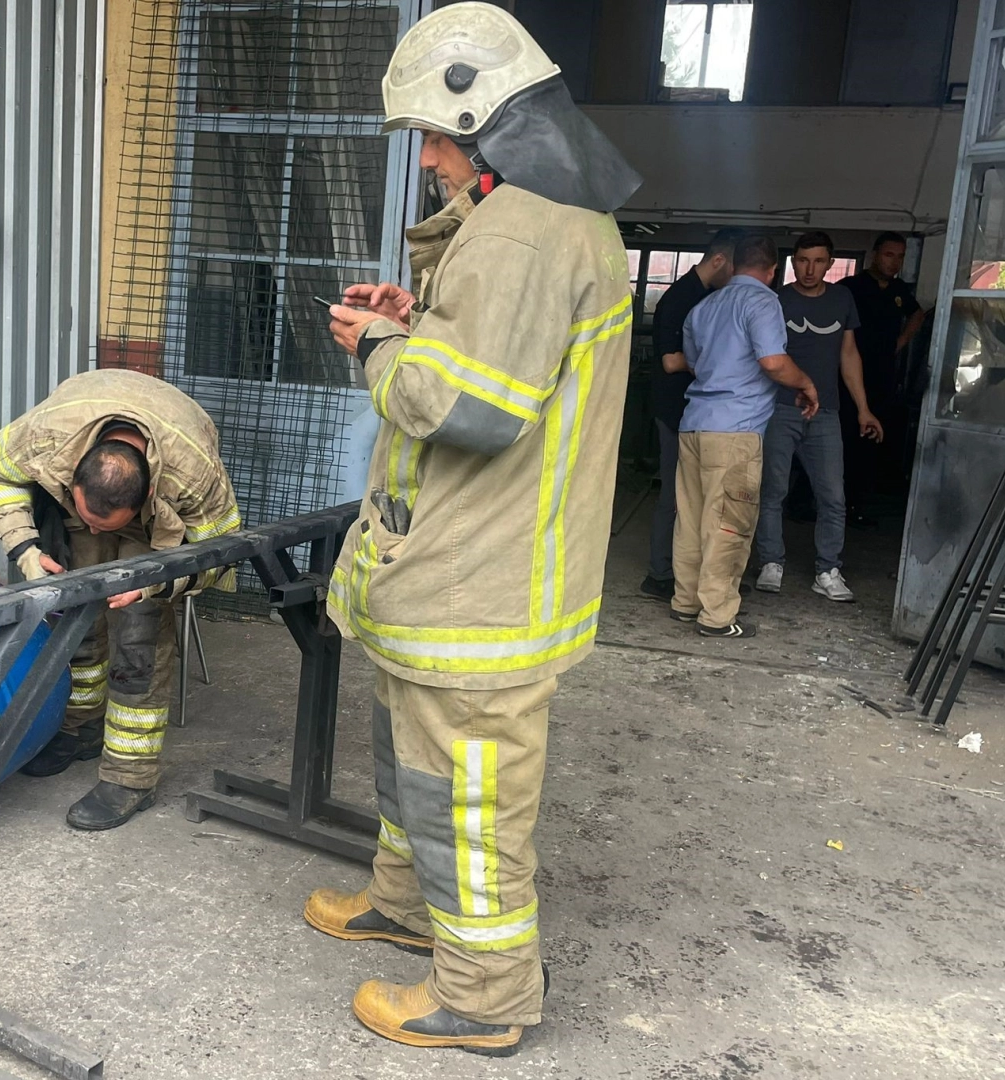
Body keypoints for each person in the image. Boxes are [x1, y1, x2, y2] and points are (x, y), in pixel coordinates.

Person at [303, 3, 642, 1056]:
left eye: (436, 138)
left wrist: (375, 348)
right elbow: (491, 358)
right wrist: (415, 319)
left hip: (481, 588)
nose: (431, 158)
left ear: (483, 123)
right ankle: (406, 906)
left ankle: (483, 1000)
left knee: (468, 798)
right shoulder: (528, 223)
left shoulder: (526, 231)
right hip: (446, 574)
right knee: (412, 769)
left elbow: (471, 411)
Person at [0, 368, 241, 831]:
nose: (95, 532)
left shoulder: (193, 476)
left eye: (107, 525)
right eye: (88, 517)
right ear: (74, 474)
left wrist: (156, 584)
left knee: (139, 635)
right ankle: (79, 726)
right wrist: (26, 548)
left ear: (148, 495)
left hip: (161, 517)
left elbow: (218, 556)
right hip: (79, 473)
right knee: (73, 614)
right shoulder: (47, 440)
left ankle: (130, 779)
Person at [664, 235, 819, 638]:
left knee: (692, 520)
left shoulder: (704, 308)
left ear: (733, 267)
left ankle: (685, 602)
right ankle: (716, 616)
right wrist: (805, 383)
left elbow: (696, 365)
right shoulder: (763, 302)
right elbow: (772, 362)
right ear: (772, 271)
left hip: (694, 422)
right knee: (729, 524)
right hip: (734, 431)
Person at [754, 232, 884, 602]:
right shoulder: (775, 301)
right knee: (773, 491)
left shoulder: (843, 299)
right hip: (779, 407)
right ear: (792, 262)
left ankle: (828, 570)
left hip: (826, 412)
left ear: (830, 263)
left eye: (818, 261)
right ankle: (770, 562)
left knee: (833, 496)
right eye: (802, 260)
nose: (809, 269)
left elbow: (849, 355)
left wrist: (863, 408)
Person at [641, 228, 741, 601]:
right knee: (674, 495)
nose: (734, 277)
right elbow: (671, 361)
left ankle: (684, 571)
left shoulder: (703, 295)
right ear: (719, 260)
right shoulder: (682, 298)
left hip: (690, 410)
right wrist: (721, 363)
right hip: (673, 410)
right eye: (734, 268)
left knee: (689, 495)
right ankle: (660, 574)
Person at [841, 232, 925, 527]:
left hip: (882, 379)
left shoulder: (899, 290)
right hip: (848, 377)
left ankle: (856, 505)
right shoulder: (852, 287)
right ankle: (812, 503)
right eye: (890, 255)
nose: (895, 262)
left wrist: (900, 343)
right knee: (841, 439)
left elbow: (918, 315)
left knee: (870, 443)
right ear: (876, 253)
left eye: (901, 256)